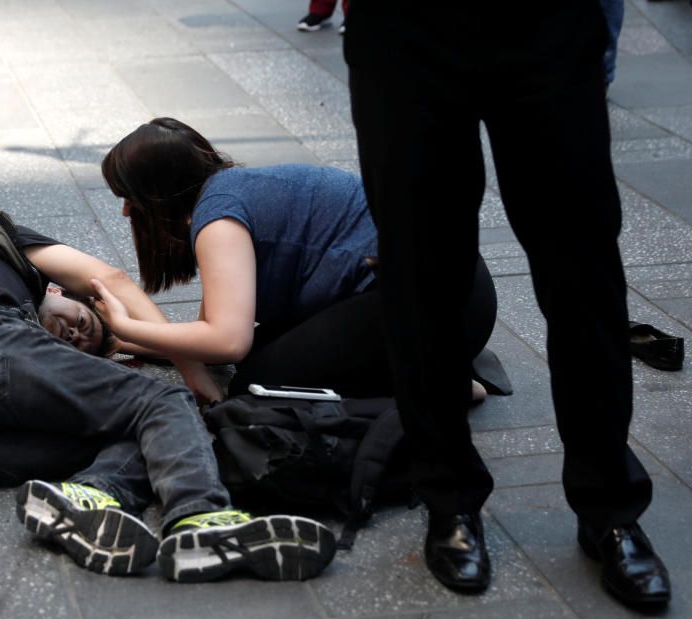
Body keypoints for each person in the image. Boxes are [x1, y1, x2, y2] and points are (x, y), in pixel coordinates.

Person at [344, 4, 671, 608]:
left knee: (584, 268)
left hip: (547, 23)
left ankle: (610, 506)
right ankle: (448, 499)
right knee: (421, 270)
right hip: (404, 32)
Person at [0, 213, 337, 582]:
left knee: (142, 433)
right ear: (57, 291)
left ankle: (90, 495)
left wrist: (131, 347)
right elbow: (110, 278)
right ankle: (200, 518)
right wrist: (195, 380)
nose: (78, 334)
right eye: (83, 318)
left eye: (82, 347)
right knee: (163, 403)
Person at [94, 118, 499, 404]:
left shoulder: (218, 221)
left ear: (159, 194)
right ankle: (428, 371)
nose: (127, 212)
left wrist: (125, 324)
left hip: (438, 306)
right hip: (453, 285)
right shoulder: (228, 192)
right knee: (264, 355)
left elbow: (228, 342)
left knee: (258, 383)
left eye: (131, 198)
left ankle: (441, 387)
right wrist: (128, 341)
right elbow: (212, 335)